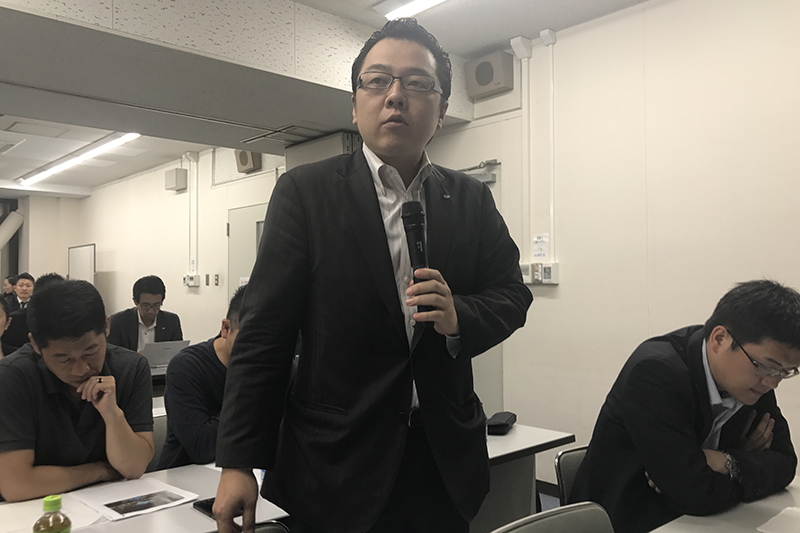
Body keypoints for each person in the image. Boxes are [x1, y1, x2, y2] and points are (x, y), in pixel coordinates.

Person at [214, 18, 532, 533]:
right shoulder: (305, 194)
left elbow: (512, 295)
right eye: (378, 80)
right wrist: (238, 461)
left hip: (442, 463)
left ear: (441, 110)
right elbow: (264, 336)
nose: (396, 95)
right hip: (334, 468)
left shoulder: (470, 198)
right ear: (355, 103)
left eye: (417, 83)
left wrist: (458, 316)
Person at [571, 280, 800, 533]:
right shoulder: (655, 372)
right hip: (628, 518)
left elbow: (786, 464)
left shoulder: (755, 382)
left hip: (704, 520)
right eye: (767, 366)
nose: (773, 383)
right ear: (720, 339)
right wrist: (743, 465)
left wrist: (725, 460)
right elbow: (693, 493)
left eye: (786, 372)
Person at [0, 279, 154, 502]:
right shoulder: (12, 376)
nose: (80, 369)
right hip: (36, 510)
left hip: (109, 504)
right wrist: (102, 470)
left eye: (90, 352)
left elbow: (134, 467)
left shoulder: (131, 368)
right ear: (35, 344)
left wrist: (112, 415)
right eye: (63, 358)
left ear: (106, 325)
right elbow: (17, 486)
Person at [158, 286, 247, 469]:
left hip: (245, 470)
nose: (259, 351)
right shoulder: (186, 367)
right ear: (226, 328)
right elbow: (201, 447)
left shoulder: (279, 367)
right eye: (249, 341)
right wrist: (250, 388)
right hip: (184, 476)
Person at [108, 275, 183, 352]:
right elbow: (113, 354)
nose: (151, 311)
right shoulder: (118, 321)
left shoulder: (171, 321)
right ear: (135, 301)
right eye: (145, 305)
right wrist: (137, 357)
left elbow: (177, 353)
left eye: (156, 305)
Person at [2, 272, 65, 352]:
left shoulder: (65, 319)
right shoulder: (9, 308)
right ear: (15, 288)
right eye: (21, 285)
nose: (24, 289)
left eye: (28, 286)